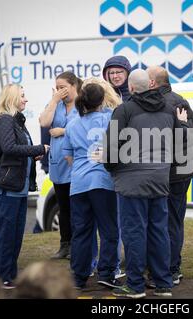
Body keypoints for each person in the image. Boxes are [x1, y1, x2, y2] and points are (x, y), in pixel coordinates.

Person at [104, 69, 188, 299]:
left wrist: (111, 168)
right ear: (150, 86)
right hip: (160, 179)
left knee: (134, 233)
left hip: (131, 181)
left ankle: (135, 285)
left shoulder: (124, 110)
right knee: (159, 230)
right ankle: (163, 283)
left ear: (131, 88)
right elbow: (182, 143)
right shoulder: (169, 109)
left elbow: (111, 146)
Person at [0, 84, 48, 289]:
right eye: (23, 96)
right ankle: (2, 276)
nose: (26, 100)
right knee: (6, 235)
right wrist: (38, 148)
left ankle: (10, 274)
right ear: (13, 98)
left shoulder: (16, 120)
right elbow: (9, 148)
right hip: (8, 188)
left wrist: (34, 153)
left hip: (18, 188)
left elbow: (18, 149)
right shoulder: (5, 120)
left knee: (15, 235)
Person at [64, 83, 121, 290]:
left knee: (81, 232)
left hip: (78, 184)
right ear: (102, 99)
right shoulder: (110, 118)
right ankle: (106, 273)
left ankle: (78, 277)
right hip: (103, 182)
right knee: (109, 231)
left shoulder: (72, 123)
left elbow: (68, 156)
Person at [147, 66, 193, 286]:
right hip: (182, 171)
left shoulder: (158, 105)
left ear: (152, 83)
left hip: (167, 172)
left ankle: (168, 269)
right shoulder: (180, 101)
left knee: (162, 223)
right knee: (175, 222)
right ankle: (173, 267)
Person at [81, 77, 126, 280]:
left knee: (86, 227)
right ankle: (111, 267)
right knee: (110, 227)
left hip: (83, 178)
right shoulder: (116, 115)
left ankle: (89, 265)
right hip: (109, 177)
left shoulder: (78, 118)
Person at [39, 71, 81, 259]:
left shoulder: (82, 105)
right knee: (63, 207)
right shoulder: (55, 105)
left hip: (76, 164)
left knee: (77, 208)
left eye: (63, 87)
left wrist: (63, 130)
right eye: (57, 88)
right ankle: (65, 246)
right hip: (58, 165)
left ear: (73, 86)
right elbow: (44, 122)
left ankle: (79, 246)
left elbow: (87, 127)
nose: (60, 91)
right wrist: (54, 100)